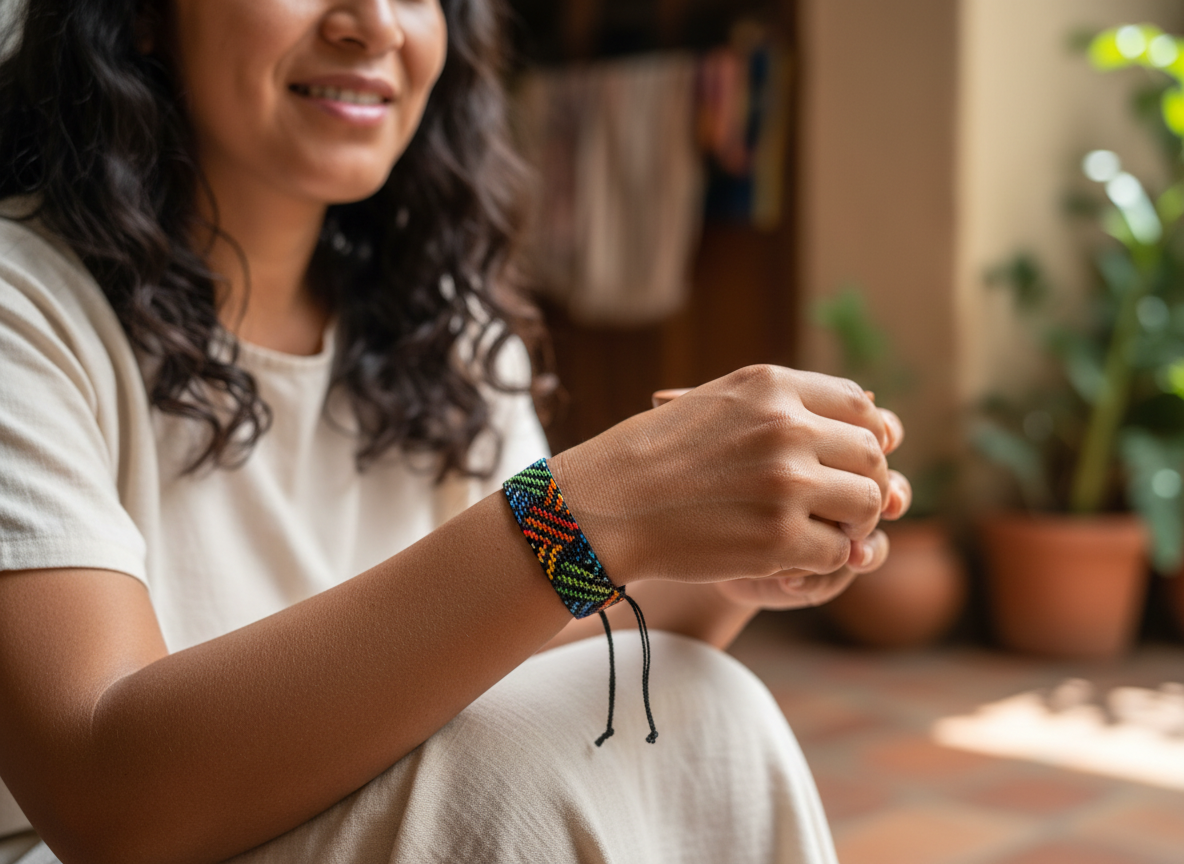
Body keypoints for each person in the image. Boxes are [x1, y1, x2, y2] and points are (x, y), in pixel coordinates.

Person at [0, 1, 911, 862]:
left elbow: (512, 646)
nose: (375, 24)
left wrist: (707, 565)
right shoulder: (24, 306)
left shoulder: (445, 326)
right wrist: (590, 507)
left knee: (705, 706)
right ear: (143, 12)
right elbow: (104, 797)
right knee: (508, 781)